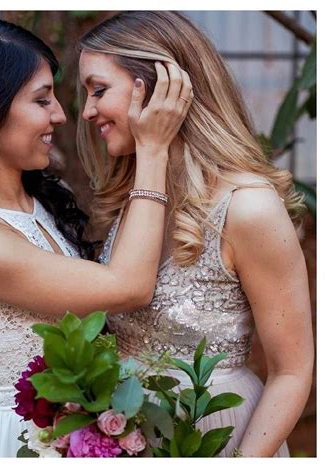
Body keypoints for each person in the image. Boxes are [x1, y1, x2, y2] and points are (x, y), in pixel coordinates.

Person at [0, 13, 192, 457]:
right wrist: (154, 149)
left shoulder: (43, 198)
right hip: (21, 441)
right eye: (41, 100)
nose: (61, 115)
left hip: (79, 432)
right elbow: (129, 287)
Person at [77, 11, 314, 457]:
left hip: (217, 436)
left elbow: (293, 370)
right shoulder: (137, 196)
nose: (87, 111)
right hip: (125, 435)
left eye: (99, 90)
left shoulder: (248, 207)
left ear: (162, 86)